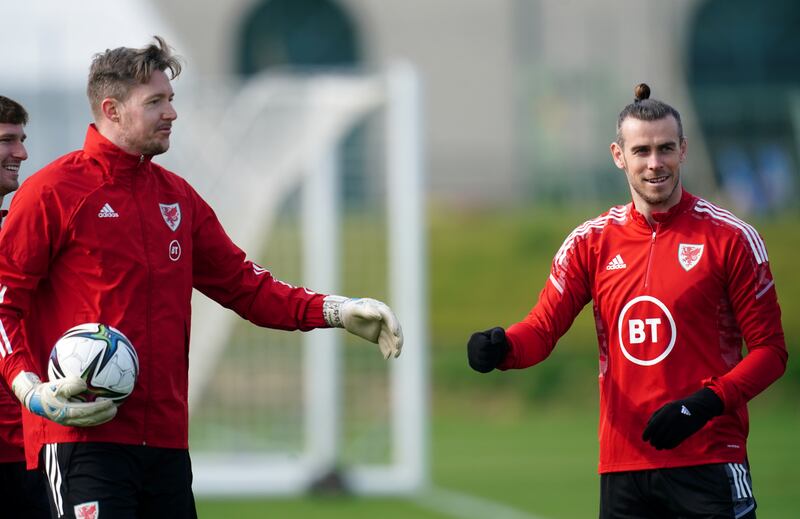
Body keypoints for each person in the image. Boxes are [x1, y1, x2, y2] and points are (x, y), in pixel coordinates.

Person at [0, 36, 403, 519]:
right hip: (84, 436)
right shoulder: (52, 192)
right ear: (112, 109)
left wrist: (336, 310)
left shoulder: (178, 197)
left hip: (167, 440)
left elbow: (245, 285)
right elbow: (4, 305)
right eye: (155, 102)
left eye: (171, 100)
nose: (172, 113)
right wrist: (30, 389)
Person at [467, 83, 787, 519]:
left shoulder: (731, 238)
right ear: (619, 155)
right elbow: (541, 329)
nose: (655, 163)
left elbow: (771, 352)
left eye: (665, 149)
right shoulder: (591, 242)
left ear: (683, 151)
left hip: (710, 460)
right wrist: (502, 348)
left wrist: (704, 404)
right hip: (624, 469)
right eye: (641, 151)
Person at [0, 95, 51, 517]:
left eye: (22, 139)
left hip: (26, 444)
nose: (22, 153)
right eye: (6, 140)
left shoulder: (19, 228)